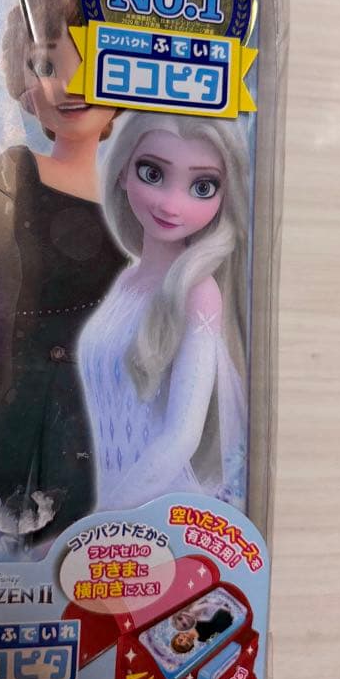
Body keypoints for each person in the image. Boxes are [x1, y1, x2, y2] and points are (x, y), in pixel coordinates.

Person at [0, 0, 125, 555]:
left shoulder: (140, 201)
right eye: (45, 65)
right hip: (16, 407)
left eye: (90, 62)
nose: (67, 85)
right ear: (21, 86)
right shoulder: (15, 173)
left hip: (106, 417)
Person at [77, 112, 249, 513]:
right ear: (122, 172)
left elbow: (181, 438)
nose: (172, 205)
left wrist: (98, 523)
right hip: (116, 505)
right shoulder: (126, 281)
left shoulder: (198, 292)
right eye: (152, 174)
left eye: (202, 187)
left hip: (161, 510)